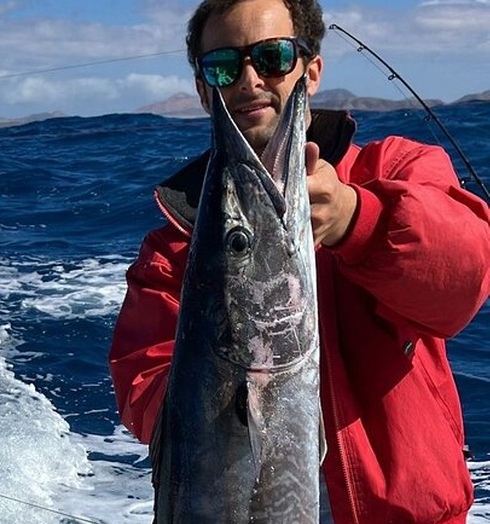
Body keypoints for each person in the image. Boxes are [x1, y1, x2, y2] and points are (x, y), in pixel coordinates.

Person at [108, 0, 490, 522]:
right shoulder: (173, 247)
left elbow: (462, 284)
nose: (248, 80)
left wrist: (361, 220)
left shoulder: (398, 169)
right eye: (222, 66)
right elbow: (143, 382)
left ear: (310, 69)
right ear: (202, 88)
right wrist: (227, 401)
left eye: (272, 56)